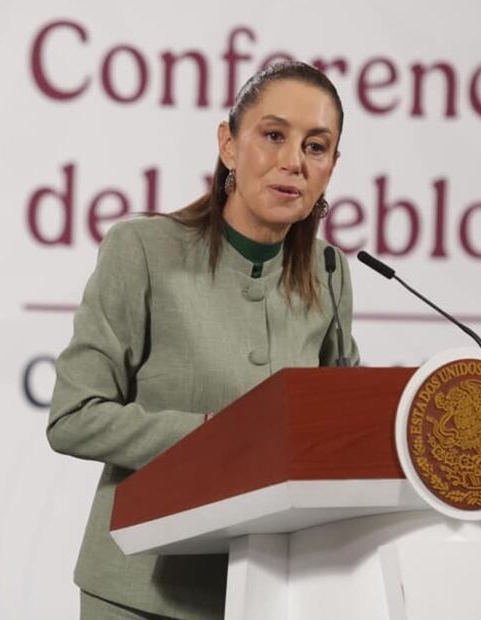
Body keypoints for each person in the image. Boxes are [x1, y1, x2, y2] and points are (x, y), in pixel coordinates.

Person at [47, 61, 360, 620]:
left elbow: (340, 431)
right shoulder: (143, 250)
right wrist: (217, 437)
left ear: (331, 167)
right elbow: (74, 416)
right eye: (273, 135)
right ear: (229, 145)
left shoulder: (329, 272)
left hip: (272, 593)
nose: (293, 161)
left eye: (316, 147)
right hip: (140, 592)